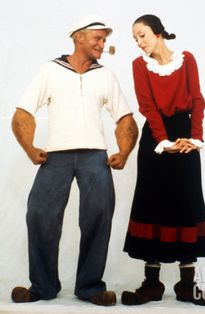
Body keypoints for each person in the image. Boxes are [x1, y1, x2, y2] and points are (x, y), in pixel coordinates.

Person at [11, 14, 138, 306]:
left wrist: (124, 151)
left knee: (99, 215)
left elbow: (126, 119)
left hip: (96, 155)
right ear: (78, 37)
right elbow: (23, 113)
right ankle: (42, 286)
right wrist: (30, 148)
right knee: (40, 215)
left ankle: (91, 287)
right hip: (56, 154)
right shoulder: (50, 70)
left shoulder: (105, 75)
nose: (102, 44)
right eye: (98, 38)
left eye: (105, 39)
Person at [121, 14, 205, 307]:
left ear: (159, 33)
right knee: (152, 202)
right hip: (156, 139)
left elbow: (197, 101)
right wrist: (164, 143)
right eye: (135, 39)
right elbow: (148, 107)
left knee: (187, 201)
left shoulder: (187, 59)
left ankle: (187, 285)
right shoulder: (139, 66)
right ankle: (152, 284)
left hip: (185, 136)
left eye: (142, 36)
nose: (139, 43)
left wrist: (195, 139)